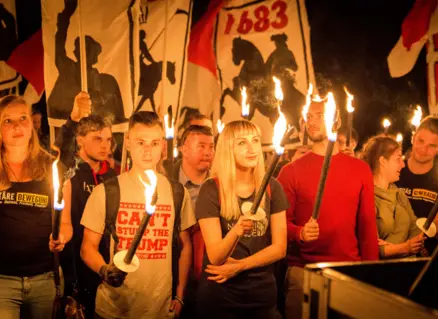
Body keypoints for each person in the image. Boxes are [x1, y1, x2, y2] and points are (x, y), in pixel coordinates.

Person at [80, 111, 195, 319]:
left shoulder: (177, 193)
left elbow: (186, 245)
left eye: (154, 143)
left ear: (163, 145)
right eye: (140, 142)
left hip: (160, 310)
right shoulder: (107, 192)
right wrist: (104, 270)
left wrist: (179, 296)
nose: (147, 151)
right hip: (113, 310)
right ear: (127, 143)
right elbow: (87, 247)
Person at [277, 99, 379, 319]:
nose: (312, 121)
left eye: (320, 115)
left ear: (337, 119)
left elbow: (367, 227)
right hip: (303, 272)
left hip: (349, 272)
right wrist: (300, 233)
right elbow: (277, 225)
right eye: (309, 116)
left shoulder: (360, 170)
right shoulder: (290, 172)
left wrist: (370, 274)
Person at [0, 95, 72, 318]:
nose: (17, 126)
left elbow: (67, 224)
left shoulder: (53, 169)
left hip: (45, 278)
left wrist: (61, 237)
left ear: (31, 124)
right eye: (8, 121)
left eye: (23, 118)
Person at [195, 120, 288, 318]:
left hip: (261, 297)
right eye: (242, 143)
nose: (251, 148)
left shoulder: (273, 187)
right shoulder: (211, 189)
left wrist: (240, 266)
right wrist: (236, 231)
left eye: (255, 140)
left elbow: (280, 248)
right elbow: (216, 256)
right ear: (229, 149)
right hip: (221, 298)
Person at [57, 92, 118, 317]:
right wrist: (72, 121)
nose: (105, 146)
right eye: (97, 139)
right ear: (80, 139)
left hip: (102, 265)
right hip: (72, 264)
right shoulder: (69, 171)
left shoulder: (112, 176)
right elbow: (62, 152)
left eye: (108, 139)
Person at [171, 125, 214, 318]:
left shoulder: (220, 183)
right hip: (171, 269)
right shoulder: (164, 179)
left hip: (208, 275)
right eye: (201, 146)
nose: (207, 152)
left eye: (211, 147)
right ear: (184, 149)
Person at [361, 136, 424, 258]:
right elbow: (370, 246)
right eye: (398, 159)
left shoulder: (399, 194)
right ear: (383, 161)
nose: (403, 165)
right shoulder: (366, 197)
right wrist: (404, 248)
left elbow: (414, 225)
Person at [395, 115, 438, 236]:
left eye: (432, 146)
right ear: (413, 138)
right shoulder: (394, 170)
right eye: (420, 141)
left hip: (425, 250)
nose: (423, 149)